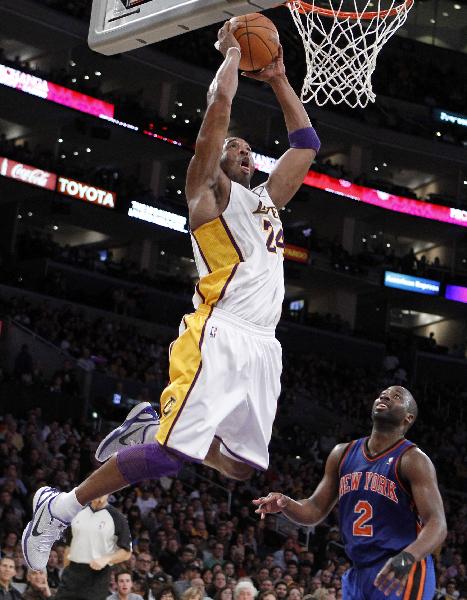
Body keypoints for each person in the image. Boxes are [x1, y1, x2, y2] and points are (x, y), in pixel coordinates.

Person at [22, 18, 319, 572]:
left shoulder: (268, 202)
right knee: (169, 457)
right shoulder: (206, 194)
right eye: (236, 147)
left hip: (264, 346)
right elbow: (217, 114)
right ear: (218, 158)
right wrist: (232, 55)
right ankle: (58, 507)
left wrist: (279, 78)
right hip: (220, 330)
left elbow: (306, 143)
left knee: (239, 468)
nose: (244, 151)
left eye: (251, 150)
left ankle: (153, 423)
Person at [253, 386, 447, 599]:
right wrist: (286, 503)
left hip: (400, 568)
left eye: (397, 396)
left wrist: (407, 558)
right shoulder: (342, 453)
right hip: (358, 571)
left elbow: (437, 523)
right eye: (382, 393)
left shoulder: (413, 460)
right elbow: (315, 509)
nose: (385, 396)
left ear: (408, 418)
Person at [53, 495, 132, 600]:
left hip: (97, 578)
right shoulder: (77, 512)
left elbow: (127, 552)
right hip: (71, 576)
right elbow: (69, 545)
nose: (100, 493)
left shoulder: (118, 517)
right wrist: (66, 569)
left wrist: (107, 558)